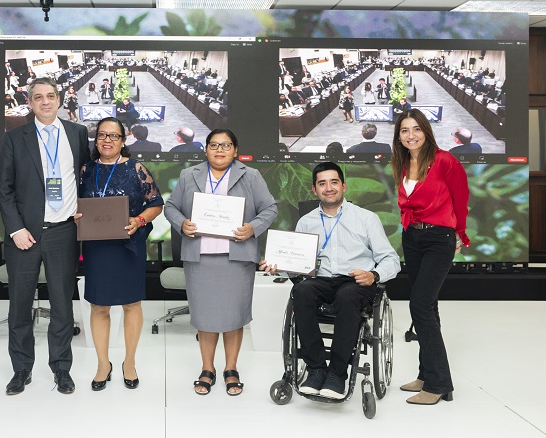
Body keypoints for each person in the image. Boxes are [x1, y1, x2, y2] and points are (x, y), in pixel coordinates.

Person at [260, 162, 400, 400]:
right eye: (322, 183)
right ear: (314, 190)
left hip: (355, 280)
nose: (329, 188)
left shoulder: (366, 218)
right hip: (321, 279)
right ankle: (315, 370)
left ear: (343, 186)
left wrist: (373, 275)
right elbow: (300, 266)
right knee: (301, 292)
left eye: (334, 182)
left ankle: (337, 374)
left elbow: (391, 259)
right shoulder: (306, 221)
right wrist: (279, 268)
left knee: (347, 296)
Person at [164, 129, 277, 397]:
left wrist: (252, 228)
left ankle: (230, 368)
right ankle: (207, 368)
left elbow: (270, 208)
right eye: (214, 145)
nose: (219, 150)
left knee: (234, 316)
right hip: (200, 257)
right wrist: (182, 223)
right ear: (206, 150)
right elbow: (171, 207)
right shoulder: (188, 175)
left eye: (226, 145)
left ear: (235, 150)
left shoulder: (250, 176)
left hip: (236, 257)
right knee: (204, 317)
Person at [0, 77, 91, 396]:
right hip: (25, 234)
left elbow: (86, 178)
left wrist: (85, 210)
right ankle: (21, 369)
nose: (46, 102)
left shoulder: (77, 134)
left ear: (60, 99)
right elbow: (5, 189)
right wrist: (15, 228)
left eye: (51, 96)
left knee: (62, 306)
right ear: (30, 102)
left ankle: (61, 369)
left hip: (64, 231)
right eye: (39, 97)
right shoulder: (15, 137)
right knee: (20, 306)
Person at [75, 117, 163, 391]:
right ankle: (103, 364)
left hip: (128, 247)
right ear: (96, 139)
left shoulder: (136, 169)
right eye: (102, 135)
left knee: (131, 304)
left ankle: (129, 362)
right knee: (99, 306)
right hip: (97, 248)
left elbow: (156, 204)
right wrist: (76, 216)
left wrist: (140, 220)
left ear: (123, 141)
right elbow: (72, 202)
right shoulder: (85, 170)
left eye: (114, 136)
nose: (107, 140)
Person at [391, 109, 470, 405]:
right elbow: (407, 202)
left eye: (416, 129)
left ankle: (439, 384)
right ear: (398, 136)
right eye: (404, 131)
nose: (410, 135)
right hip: (412, 237)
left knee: (420, 304)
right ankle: (426, 374)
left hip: (438, 238)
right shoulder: (402, 162)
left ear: (426, 131)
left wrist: (459, 234)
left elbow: (461, 199)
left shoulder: (445, 160)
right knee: (428, 307)